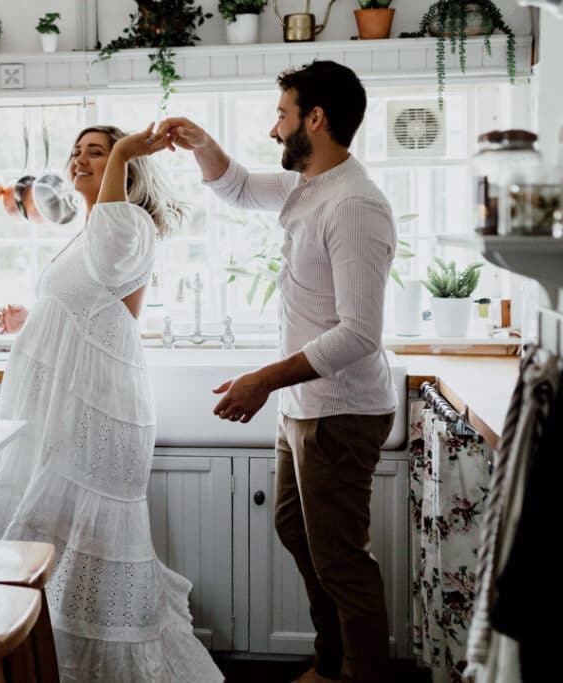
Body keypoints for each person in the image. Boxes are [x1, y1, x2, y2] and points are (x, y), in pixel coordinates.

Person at [157, 60, 398, 683]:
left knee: (341, 558)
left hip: (342, 411)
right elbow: (235, 188)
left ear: (314, 120)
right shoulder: (308, 186)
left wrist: (263, 379)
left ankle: (358, 674)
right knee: (297, 529)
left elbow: (359, 334)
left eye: (282, 115)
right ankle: (332, 662)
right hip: (306, 408)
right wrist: (202, 144)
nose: (273, 130)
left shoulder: (354, 205)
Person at [0, 123, 224, 683]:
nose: (81, 159)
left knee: (61, 536)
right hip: (77, 404)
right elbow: (113, 309)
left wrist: (129, 151)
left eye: (98, 152)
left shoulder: (125, 221)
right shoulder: (93, 227)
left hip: (98, 410)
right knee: (56, 541)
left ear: (126, 166)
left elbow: (110, 267)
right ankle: (56, 664)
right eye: (77, 152)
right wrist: (31, 319)